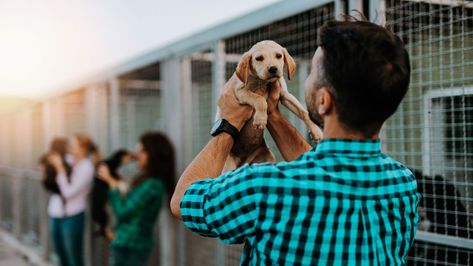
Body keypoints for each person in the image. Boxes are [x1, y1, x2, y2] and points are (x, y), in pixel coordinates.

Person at [171, 19, 420, 265]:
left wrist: (228, 123)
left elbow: (182, 200)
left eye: (312, 72)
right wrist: (273, 115)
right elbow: (320, 173)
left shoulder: (262, 187)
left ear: (324, 101)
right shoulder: (404, 185)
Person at [97, 132, 175, 266]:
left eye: (142, 150)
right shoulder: (146, 180)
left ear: (154, 154)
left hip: (131, 246)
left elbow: (122, 212)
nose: (136, 154)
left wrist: (111, 182)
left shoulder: (152, 184)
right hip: (127, 243)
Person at [48, 133, 100, 266]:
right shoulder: (69, 160)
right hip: (56, 213)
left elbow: (68, 192)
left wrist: (60, 168)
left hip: (73, 216)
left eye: (72, 144)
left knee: (74, 257)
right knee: (61, 255)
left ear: (82, 148)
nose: (68, 147)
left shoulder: (87, 167)